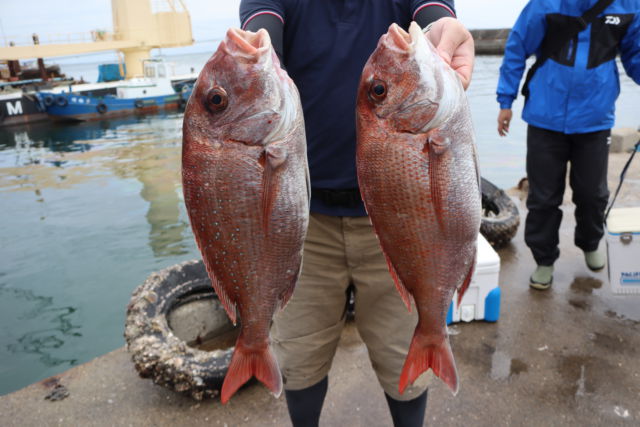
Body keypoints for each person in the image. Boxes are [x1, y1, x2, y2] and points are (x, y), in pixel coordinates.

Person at [238, 1, 473, 426]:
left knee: (403, 350)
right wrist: (256, 50)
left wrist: (442, 29)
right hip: (301, 223)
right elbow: (262, 24)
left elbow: (433, 14)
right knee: (300, 354)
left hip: (399, 217)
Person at [496, 0, 640, 290]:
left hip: (595, 117)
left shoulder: (629, 5)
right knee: (543, 197)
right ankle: (544, 259)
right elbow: (517, 47)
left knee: (593, 194)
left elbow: (635, 55)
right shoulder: (544, 4)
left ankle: (590, 242)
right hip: (544, 116)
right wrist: (505, 100)